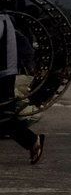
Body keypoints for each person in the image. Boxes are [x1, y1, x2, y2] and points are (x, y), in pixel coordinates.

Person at [1, 11, 45, 164]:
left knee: (4, 116)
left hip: (4, 74)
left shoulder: (2, 20)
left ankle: (32, 141)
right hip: (6, 72)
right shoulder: (6, 20)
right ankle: (31, 141)